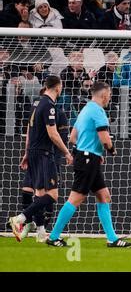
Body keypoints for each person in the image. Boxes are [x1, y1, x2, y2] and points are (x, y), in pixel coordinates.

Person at [47, 81, 131, 248]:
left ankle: (112, 239)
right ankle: (53, 236)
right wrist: (111, 150)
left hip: (86, 157)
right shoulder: (98, 111)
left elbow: (72, 137)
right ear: (104, 94)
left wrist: (91, 151)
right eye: (109, 94)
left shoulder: (85, 109)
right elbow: (105, 139)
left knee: (104, 196)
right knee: (76, 199)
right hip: (88, 159)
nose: (110, 97)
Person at [9, 76, 73, 242]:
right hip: (44, 154)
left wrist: (26, 153)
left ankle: (40, 233)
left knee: (39, 194)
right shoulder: (49, 106)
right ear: (58, 88)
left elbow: (30, 131)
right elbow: (53, 134)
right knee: (52, 195)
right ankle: (20, 219)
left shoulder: (37, 104)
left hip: (34, 152)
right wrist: (66, 152)